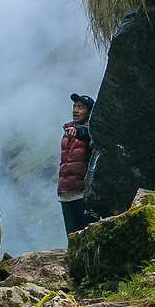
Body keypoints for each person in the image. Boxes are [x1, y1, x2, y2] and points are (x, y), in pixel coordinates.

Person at [59, 93, 97, 235]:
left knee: (90, 236)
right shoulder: (66, 133)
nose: (75, 110)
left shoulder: (92, 131)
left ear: (89, 112)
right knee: (73, 238)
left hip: (84, 195)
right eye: (74, 107)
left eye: (80, 107)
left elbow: (89, 134)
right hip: (66, 195)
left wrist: (78, 131)